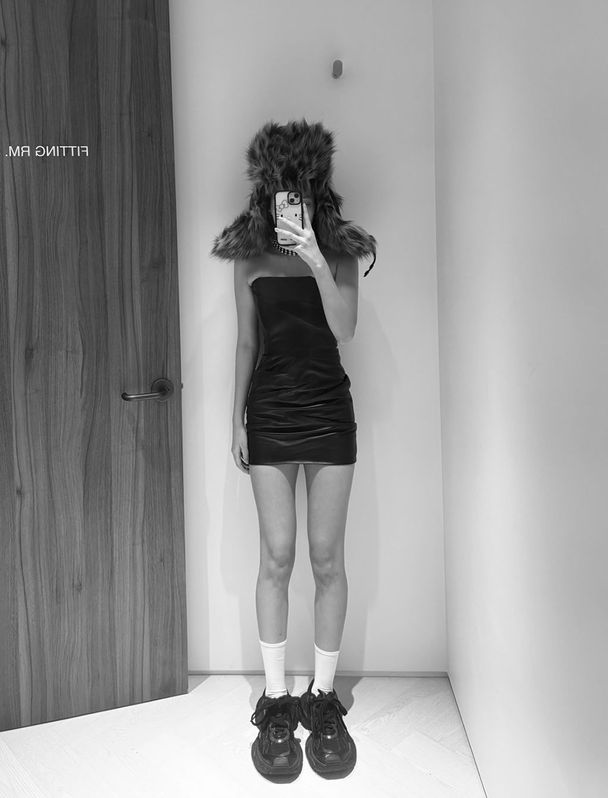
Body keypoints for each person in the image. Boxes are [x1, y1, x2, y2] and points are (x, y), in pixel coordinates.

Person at [211, 119, 376, 782]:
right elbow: (246, 343)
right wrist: (236, 420)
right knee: (276, 558)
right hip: (272, 415)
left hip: (330, 413)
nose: (291, 198)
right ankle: (277, 701)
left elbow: (346, 329)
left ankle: (324, 699)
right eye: (281, 188)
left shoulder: (340, 251)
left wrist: (314, 259)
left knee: (327, 559)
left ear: (315, 188)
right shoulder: (248, 257)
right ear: (266, 190)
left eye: (300, 188)